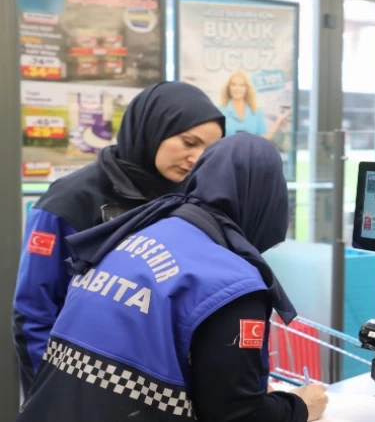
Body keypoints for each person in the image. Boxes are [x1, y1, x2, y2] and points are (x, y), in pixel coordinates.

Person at [16, 134, 329, 422]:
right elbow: (236, 415)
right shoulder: (229, 281)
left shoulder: (137, 232)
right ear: (269, 197)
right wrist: (300, 406)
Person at [12, 81, 225, 401]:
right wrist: (53, 395)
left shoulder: (191, 199)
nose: (195, 158)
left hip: (160, 388)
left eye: (207, 151)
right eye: (188, 142)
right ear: (152, 128)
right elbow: (34, 314)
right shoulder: (70, 200)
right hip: (79, 386)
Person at [220, 70, 291, 140]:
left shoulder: (256, 112)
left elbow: (263, 139)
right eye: (233, 84)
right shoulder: (220, 112)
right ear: (228, 88)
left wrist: (277, 123)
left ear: (247, 88)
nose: (237, 88)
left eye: (242, 85)